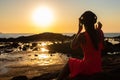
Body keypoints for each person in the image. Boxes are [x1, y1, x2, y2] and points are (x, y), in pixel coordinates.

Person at [57, 11, 104, 80]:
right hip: (97, 67)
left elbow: (72, 46)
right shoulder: (100, 32)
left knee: (70, 62)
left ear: (83, 23)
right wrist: (99, 28)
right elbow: (102, 45)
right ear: (94, 22)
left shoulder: (82, 36)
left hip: (88, 68)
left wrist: (79, 30)